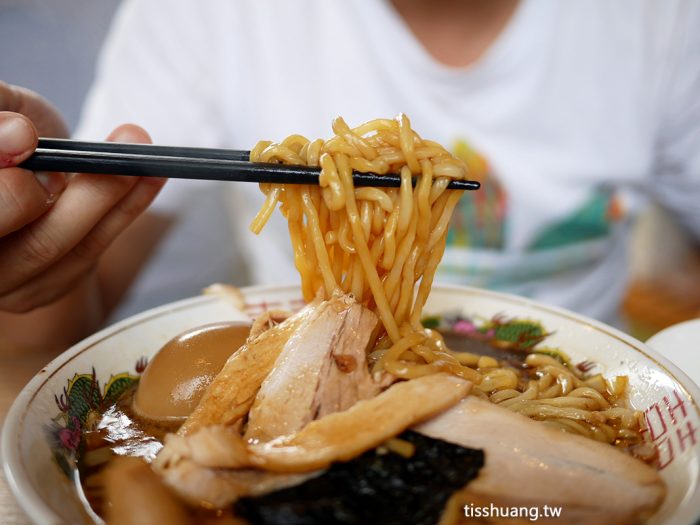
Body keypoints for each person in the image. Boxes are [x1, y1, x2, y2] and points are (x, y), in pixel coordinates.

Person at [1, 0, 698, 353]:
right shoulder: (207, 15)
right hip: (313, 353)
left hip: (575, 365)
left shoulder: (664, 22)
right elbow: (58, 311)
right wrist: (38, 234)